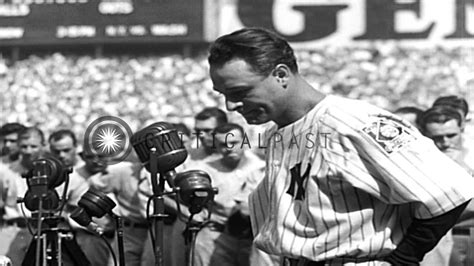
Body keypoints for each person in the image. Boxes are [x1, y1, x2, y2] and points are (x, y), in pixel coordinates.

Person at [207, 27, 474, 265]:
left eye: (240, 92)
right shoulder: (279, 131)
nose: (231, 105)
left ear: (280, 74)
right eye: (225, 96)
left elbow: (451, 192)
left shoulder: (352, 122)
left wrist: (402, 259)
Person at [172, 122, 276, 266]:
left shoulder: (261, 168)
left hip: (252, 238)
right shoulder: (203, 169)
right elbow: (173, 194)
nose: (229, 148)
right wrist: (190, 213)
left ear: (244, 141)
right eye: (223, 144)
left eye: (234, 142)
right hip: (215, 235)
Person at [419, 105, 474, 266]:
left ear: (462, 129)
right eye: (437, 137)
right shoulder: (419, 164)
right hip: (437, 241)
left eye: (451, 135)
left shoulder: (470, 158)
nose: (445, 142)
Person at [48, 129, 112, 266]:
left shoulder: (114, 173)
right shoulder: (71, 177)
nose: (96, 160)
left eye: (101, 156)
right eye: (90, 157)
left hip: (116, 235)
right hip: (87, 237)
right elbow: (58, 210)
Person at [86, 149, 154, 266]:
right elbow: (95, 183)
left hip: (155, 232)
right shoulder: (125, 171)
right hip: (129, 232)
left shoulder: (164, 174)